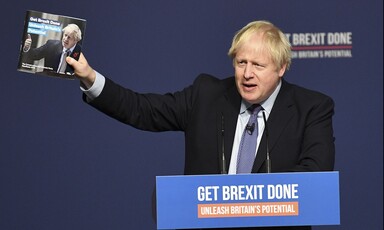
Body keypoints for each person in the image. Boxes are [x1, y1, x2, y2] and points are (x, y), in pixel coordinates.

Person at [67, 20, 335, 230]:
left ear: (281, 68)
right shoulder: (207, 94)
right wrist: (91, 79)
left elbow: (314, 177)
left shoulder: (311, 108)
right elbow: (143, 109)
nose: (247, 73)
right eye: (241, 62)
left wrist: (246, 203)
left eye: (258, 65)